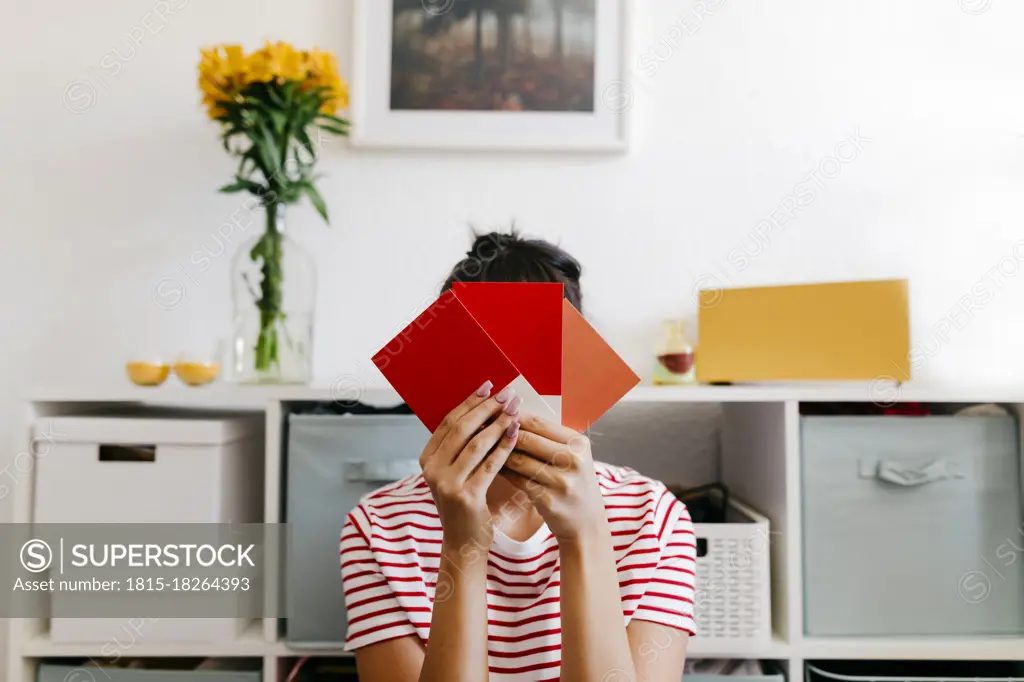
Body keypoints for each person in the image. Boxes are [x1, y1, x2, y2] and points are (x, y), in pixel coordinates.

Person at [341, 232, 697, 682]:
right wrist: (462, 545)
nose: (512, 395)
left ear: (577, 366)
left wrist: (584, 534)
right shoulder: (378, 528)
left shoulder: (655, 519)